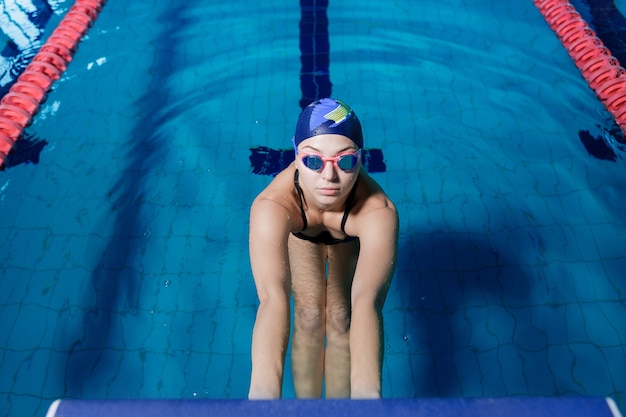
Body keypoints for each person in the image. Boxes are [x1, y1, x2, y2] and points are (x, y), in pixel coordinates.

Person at [248, 98, 398, 399]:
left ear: (360, 158)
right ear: (296, 155)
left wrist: (368, 398)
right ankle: (309, 405)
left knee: (343, 315)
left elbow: (368, 302)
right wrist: (262, 397)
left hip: (349, 230)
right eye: (313, 161)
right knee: (309, 315)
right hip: (301, 229)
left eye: (345, 162)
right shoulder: (274, 206)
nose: (328, 177)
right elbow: (271, 299)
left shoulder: (377, 211)